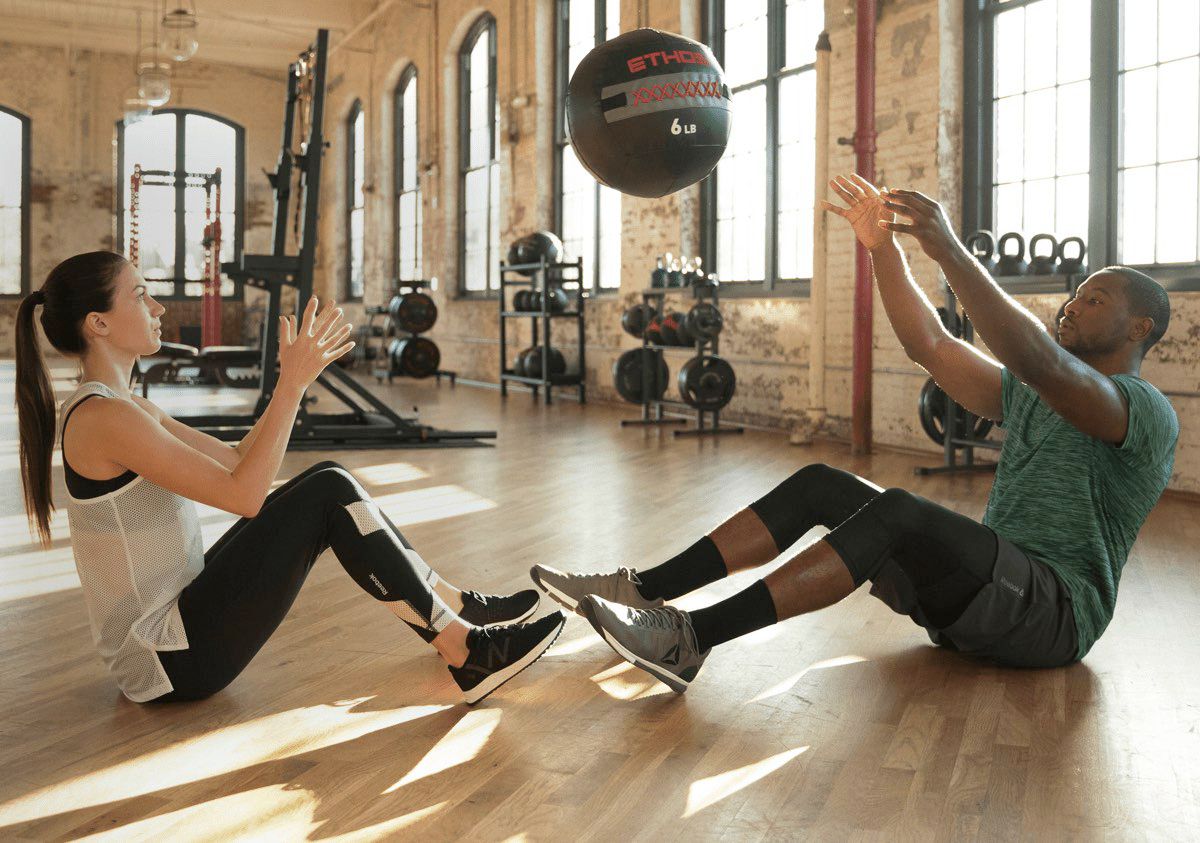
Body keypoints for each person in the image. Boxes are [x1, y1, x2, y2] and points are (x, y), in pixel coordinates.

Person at [531, 174, 1178, 692]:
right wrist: (884, 249)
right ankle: (643, 590)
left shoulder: (1144, 410)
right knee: (821, 483)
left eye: (1094, 298)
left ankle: (689, 638)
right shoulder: (1033, 394)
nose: (1073, 304)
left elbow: (1043, 361)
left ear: (1140, 327)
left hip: (1051, 617)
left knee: (898, 510)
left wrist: (949, 247)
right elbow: (929, 343)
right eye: (1076, 295)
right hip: (976, 602)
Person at [15, 251, 564, 705]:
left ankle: (456, 609)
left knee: (328, 476)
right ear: (99, 323)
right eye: (140, 295)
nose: (157, 305)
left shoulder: (123, 406)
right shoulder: (105, 417)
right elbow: (246, 496)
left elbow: (234, 460)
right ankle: (467, 652)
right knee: (327, 491)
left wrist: (290, 378)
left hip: (176, 633)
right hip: (166, 659)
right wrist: (293, 387)